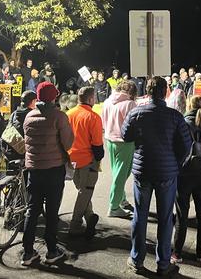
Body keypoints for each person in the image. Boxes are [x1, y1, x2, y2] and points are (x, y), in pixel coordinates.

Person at [122, 76, 192, 276]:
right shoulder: (175, 116)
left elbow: (125, 135)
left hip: (142, 171)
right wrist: (175, 162)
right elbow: (186, 145)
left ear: (148, 91)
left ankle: (136, 259)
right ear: (165, 92)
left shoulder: (137, 113)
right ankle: (163, 263)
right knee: (165, 218)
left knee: (140, 215)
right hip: (167, 173)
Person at [22, 82, 74, 266]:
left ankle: (27, 252)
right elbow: (68, 144)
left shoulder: (28, 116)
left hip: (34, 169)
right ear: (54, 97)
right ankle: (52, 251)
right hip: (53, 169)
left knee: (32, 209)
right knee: (52, 211)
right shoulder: (58, 116)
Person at [171, 95, 201, 263]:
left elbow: (176, 149)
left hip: (184, 174)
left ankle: (177, 253)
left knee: (181, 215)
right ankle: (200, 253)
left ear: (189, 106)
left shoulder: (182, 124)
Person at [66, 86, 104, 236]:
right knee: (85, 192)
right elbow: (97, 145)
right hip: (87, 160)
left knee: (82, 190)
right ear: (90, 99)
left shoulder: (68, 114)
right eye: (94, 97)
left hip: (70, 159)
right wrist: (99, 158)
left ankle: (90, 216)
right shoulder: (93, 117)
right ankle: (74, 225)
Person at [102, 80, 138, 218]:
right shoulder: (130, 104)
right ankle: (114, 206)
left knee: (117, 172)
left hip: (110, 140)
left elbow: (103, 121)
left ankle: (121, 199)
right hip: (125, 142)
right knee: (121, 174)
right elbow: (134, 124)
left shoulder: (107, 101)